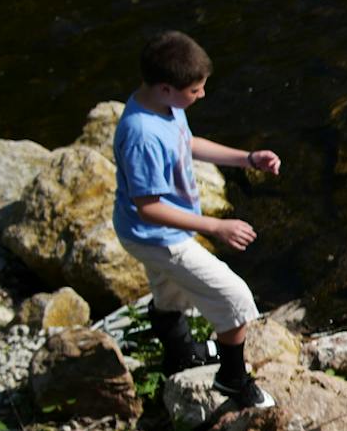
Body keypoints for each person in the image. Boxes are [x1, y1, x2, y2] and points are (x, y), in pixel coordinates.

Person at [112, 30, 282, 410]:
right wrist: (216, 227)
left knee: (170, 292)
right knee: (234, 299)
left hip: (154, 232)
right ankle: (233, 381)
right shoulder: (141, 134)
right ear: (166, 88)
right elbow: (148, 206)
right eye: (195, 90)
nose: (201, 95)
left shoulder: (164, 107)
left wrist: (248, 158)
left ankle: (179, 355)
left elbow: (187, 144)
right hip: (156, 234)